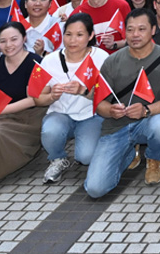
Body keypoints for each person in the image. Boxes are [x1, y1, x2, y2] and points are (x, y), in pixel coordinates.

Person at [85, 8, 160, 198]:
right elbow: (99, 103)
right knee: (95, 189)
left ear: (153, 30)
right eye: (130, 29)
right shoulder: (112, 61)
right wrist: (111, 111)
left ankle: (154, 158)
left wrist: (146, 110)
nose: (135, 34)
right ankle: (129, 153)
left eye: (141, 29)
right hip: (116, 126)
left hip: (148, 121)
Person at [36, 13, 108, 183]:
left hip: (91, 115)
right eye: (68, 34)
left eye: (79, 35)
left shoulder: (102, 57)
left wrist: (84, 91)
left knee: (86, 157)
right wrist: (51, 96)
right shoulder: (50, 60)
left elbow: (109, 96)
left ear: (90, 35)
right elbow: (38, 98)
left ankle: (86, 147)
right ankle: (57, 158)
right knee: (50, 131)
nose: (72, 40)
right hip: (60, 114)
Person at [0, 22, 47, 180]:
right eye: (3, 41)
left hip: (31, 116)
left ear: (24, 38)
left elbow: (33, 100)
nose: (8, 45)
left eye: (14, 39)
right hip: (2, 116)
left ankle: (16, 159)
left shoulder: (36, 62)